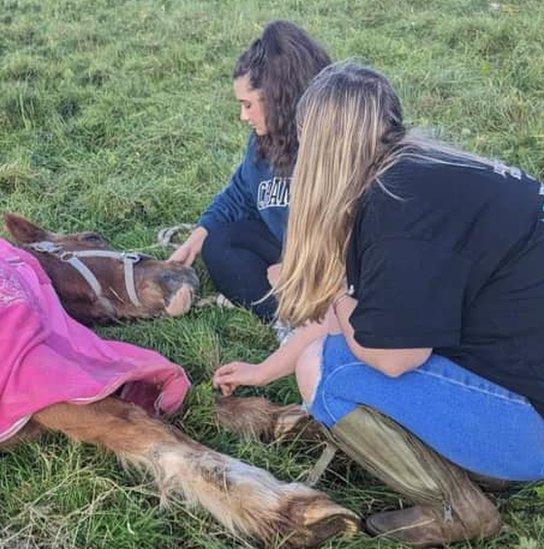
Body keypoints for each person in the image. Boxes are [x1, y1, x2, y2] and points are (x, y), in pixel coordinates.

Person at [216, 61, 544, 545]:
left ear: (325, 145)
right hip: (523, 380)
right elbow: (346, 305)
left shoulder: (396, 207)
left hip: (530, 431)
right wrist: (264, 371)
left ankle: (456, 507)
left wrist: (342, 308)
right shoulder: (422, 172)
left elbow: (393, 355)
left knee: (328, 371)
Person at [169, 21, 331, 325]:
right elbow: (241, 192)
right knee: (219, 244)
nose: (243, 116)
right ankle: (283, 318)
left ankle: (310, 319)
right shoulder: (263, 139)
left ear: (278, 97)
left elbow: (346, 232)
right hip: (286, 250)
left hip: (328, 264)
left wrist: (296, 270)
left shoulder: (327, 145)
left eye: (248, 104)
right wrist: (197, 237)